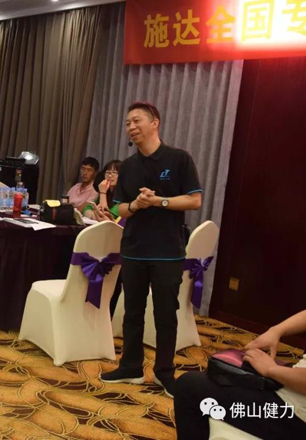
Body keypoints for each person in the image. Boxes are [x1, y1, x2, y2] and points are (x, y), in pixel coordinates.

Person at [100, 102, 202, 398]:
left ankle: (164, 372)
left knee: (166, 315)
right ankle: (131, 367)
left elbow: (194, 200)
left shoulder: (179, 158)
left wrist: (160, 201)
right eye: (127, 123)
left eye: (136, 121)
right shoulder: (128, 166)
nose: (131, 127)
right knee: (132, 311)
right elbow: (118, 208)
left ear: (154, 122)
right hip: (134, 248)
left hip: (168, 251)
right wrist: (135, 204)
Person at [175, 308, 306, 439]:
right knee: (220, 374)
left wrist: (271, 369)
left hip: (299, 416)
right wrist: (277, 330)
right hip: (297, 393)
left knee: (188, 386)